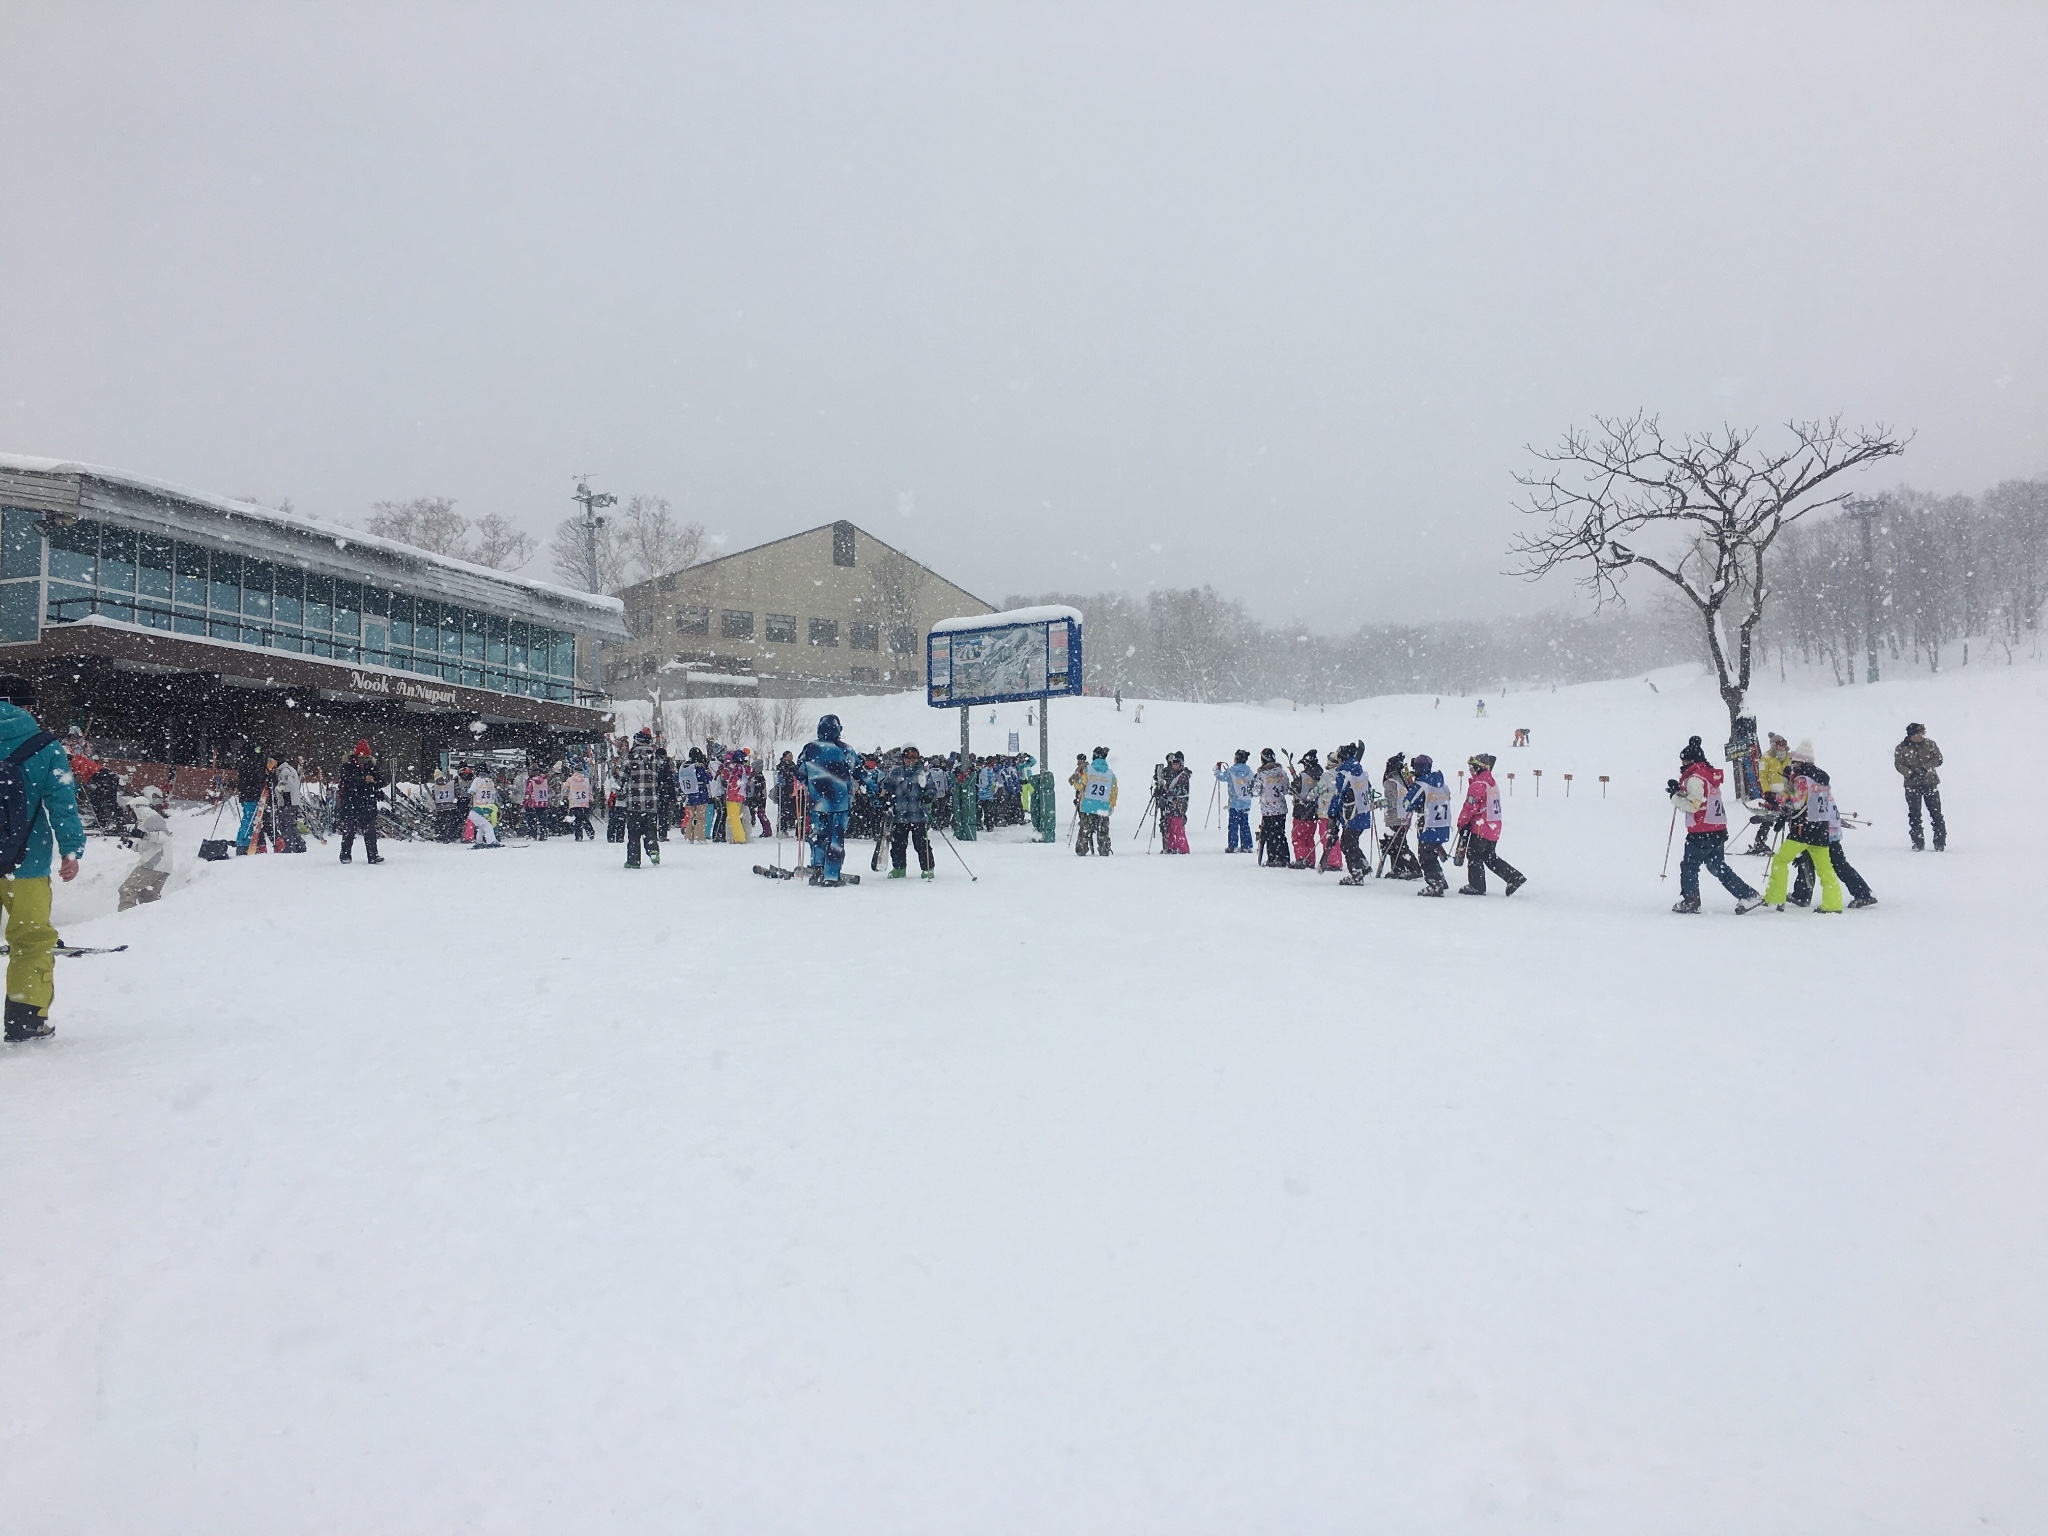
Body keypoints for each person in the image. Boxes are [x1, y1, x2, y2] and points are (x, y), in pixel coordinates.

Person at [0, 677, 86, 1042]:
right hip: (26, 864)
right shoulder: (45, 746)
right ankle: (25, 1020)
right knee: (31, 941)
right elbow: (62, 803)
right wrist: (70, 849)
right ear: (26, 705)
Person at [1667, 735, 1763, 914]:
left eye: (1684, 760)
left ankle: (1691, 901)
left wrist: (1674, 797)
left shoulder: (1695, 778)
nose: (1682, 764)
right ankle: (1748, 895)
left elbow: (1694, 805)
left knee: (1690, 866)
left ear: (1691, 760)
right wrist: (1679, 791)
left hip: (1701, 830)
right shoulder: (1708, 776)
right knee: (1716, 866)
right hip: (1717, 828)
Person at [1764, 741, 1844, 913]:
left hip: (1803, 829)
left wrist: (1778, 797)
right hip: (1821, 827)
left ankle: (1775, 897)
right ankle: (1833, 903)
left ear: (1801, 762)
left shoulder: (1803, 779)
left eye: (1795, 762)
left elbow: (1797, 802)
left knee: (1780, 860)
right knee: (1825, 868)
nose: (1793, 765)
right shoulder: (1821, 778)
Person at [797, 714, 858, 885]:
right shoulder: (845, 750)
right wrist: (875, 788)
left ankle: (817, 870)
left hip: (818, 803)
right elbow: (859, 772)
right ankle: (831, 874)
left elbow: (800, 773)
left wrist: (814, 782)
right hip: (839, 803)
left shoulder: (810, 748)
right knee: (835, 838)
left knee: (819, 835)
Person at [1455, 752, 1524, 896]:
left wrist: (1461, 822)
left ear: (1479, 768)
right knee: (1489, 856)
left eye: (1472, 767)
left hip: (1481, 827)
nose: (1470, 770)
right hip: (1493, 827)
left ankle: (1476, 885)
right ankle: (1513, 877)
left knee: (1474, 855)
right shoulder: (1490, 782)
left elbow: (1470, 807)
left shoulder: (1479, 784)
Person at [884, 745, 940, 879]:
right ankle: (899, 867)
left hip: (918, 814)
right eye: (908, 757)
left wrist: (928, 795)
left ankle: (927, 868)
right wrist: (886, 797)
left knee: (921, 843)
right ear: (903, 758)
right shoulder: (896, 773)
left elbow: (932, 789)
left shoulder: (923, 773)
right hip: (900, 814)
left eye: (914, 757)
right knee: (898, 843)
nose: (911, 760)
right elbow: (886, 786)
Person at [1403, 754, 1453, 895]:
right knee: (1431, 853)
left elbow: (1407, 804)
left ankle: (1435, 884)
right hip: (1443, 824)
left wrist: (1411, 789)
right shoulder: (1442, 784)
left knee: (1426, 856)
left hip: (1428, 824)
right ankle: (1440, 879)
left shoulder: (1422, 785)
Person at [119, 784, 173, 910]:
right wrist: (131, 844)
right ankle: (148, 924)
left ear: (137, 808)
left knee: (127, 890)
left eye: (131, 811)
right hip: (162, 866)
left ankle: (124, 920)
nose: (130, 814)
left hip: (154, 864)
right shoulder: (146, 821)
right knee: (148, 899)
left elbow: (164, 837)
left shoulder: (150, 817)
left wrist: (144, 835)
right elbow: (147, 847)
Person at [1894, 722, 1946, 852]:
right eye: (1919, 733)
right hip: (1912, 785)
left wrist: (1925, 768)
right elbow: (1899, 765)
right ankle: (1918, 842)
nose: (1921, 735)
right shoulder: (1901, 748)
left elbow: (1938, 759)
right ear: (1912, 734)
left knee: (1936, 814)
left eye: (1922, 733)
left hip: (1930, 783)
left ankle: (1940, 842)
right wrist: (1910, 774)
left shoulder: (1930, 744)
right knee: (1914, 814)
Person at [1327, 742, 1374, 885]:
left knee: (1347, 844)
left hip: (1351, 814)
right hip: (1363, 812)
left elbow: (1338, 796)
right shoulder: (1361, 772)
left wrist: (1332, 814)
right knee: (1352, 842)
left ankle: (1356, 874)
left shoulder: (1344, 774)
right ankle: (1363, 865)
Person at [336, 739, 384, 864]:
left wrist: (374, 782)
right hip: (352, 802)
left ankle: (373, 855)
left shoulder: (372, 766)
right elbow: (347, 781)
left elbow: (383, 781)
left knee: (370, 831)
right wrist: (363, 779)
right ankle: (345, 855)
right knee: (349, 831)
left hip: (367, 802)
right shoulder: (347, 766)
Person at [1379, 753, 1421, 879]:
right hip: (1404, 816)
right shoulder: (1402, 781)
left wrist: (1378, 803)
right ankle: (1398, 868)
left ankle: (1413, 868)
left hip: (1395, 817)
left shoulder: (1390, 782)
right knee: (1395, 842)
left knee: (1398, 844)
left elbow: (1391, 801)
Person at [1251, 748, 1290, 867]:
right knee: (1280, 833)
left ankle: (1273, 858)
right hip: (1281, 807)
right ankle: (1284, 856)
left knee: (1270, 835)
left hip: (1268, 809)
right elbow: (1286, 789)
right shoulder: (1282, 773)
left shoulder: (1261, 775)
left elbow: (1256, 791)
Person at [1076, 746, 1116, 855]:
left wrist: (1076, 783)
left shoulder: (1087, 771)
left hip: (1088, 806)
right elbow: (1113, 792)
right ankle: (1104, 848)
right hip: (1103, 807)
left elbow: (1080, 785)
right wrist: (1112, 805)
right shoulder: (1110, 774)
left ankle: (1082, 849)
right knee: (1103, 831)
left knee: (1085, 829)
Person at [1288, 750, 1325, 869]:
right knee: (1309, 837)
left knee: (1298, 835)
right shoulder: (1321, 775)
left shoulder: (1303, 776)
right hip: (1314, 810)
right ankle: (1310, 859)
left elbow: (1293, 789)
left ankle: (1301, 859)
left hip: (1301, 809)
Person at [1215, 750, 1254, 853]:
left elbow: (1221, 777)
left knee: (1233, 824)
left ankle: (1233, 845)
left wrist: (1217, 770)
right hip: (1246, 802)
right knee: (1245, 824)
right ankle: (1247, 845)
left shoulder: (1232, 771)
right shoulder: (1249, 771)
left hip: (1235, 803)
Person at [234, 739, 268, 853]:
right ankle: (243, 843)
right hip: (250, 795)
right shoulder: (249, 763)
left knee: (249, 819)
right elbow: (254, 778)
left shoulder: (245, 762)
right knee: (249, 819)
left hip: (248, 794)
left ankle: (245, 842)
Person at [1156, 751, 1191, 854]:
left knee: (1177, 826)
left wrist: (1166, 792)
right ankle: (1172, 847)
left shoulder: (1183, 776)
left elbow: (1179, 791)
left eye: (1177, 764)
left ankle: (1182, 848)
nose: (1174, 766)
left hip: (1179, 805)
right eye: (1173, 764)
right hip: (1171, 804)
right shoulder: (1174, 775)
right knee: (1170, 826)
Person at [273, 753, 306, 852]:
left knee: (285, 824)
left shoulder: (285, 771)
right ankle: (300, 845)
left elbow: (289, 787)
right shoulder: (288, 769)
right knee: (290, 824)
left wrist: (278, 789)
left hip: (288, 802)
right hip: (291, 801)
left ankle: (289, 845)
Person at [463, 766, 501, 848]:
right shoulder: (491, 782)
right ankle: (491, 841)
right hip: (487, 805)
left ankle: (479, 842)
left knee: (481, 826)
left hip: (478, 806)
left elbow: (471, 792)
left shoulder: (477, 780)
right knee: (487, 826)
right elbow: (494, 794)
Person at [563, 762, 594, 840]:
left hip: (574, 803)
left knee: (577, 820)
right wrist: (590, 799)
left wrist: (566, 797)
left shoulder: (570, 780)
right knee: (584, 818)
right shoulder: (586, 781)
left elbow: (565, 790)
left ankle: (578, 835)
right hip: (584, 802)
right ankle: (590, 831)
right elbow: (589, 791)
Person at [522, 765, 551, 840]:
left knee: (531, 820)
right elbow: (548, 791)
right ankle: (543, 834)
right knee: (543, 820)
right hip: (543, 802)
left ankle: (532, 834)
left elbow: (527, 793)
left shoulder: (531, 781)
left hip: (533, 803)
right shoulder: (545, 781)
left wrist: (524, 804)